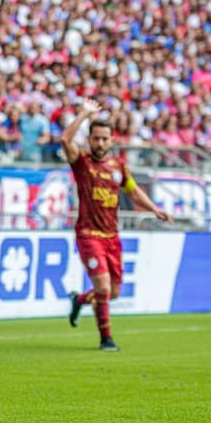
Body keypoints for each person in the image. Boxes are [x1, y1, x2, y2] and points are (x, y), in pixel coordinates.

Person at [62, 99, 172, 351]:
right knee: (102, 287)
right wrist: (83, 114)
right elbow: (66, 141)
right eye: (96, 138)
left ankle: (79, 301)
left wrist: (155, 209)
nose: (100, 143)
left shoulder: (118, 166)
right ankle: (106, 339)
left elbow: (133, 192)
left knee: (113, 293)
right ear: (89, 139)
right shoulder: (82, 162)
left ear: (112, 141)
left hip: (112, 236)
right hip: (89, 234)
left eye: (104, 139)